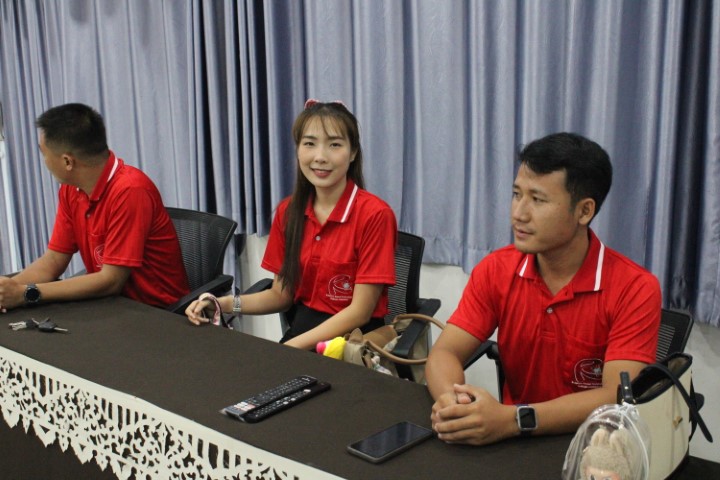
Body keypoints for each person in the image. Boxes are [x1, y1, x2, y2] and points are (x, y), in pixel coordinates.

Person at [426, 132, 661, 446]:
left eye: (537, 200)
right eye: (516, 194)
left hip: (593, 447)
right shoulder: (497, 269)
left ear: (584, 211)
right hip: (513, 442)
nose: (519, 213)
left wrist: (514, 419)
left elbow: (614, 397)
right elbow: (445, 353)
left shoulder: (635, 288)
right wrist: (452, 403)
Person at [186, 100, 397, 350]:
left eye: (334, 144)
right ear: (298, 150)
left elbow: (360, 312)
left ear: (352, 153)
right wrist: (223, 304)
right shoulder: (288, 212)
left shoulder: (375, 215)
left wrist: (291, 349)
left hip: (354, 342)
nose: (320, 157)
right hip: (304, 332)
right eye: (309, 143)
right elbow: (280, 295)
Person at [0, 103, 189, 312]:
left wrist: (26, 293)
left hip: (158, 313)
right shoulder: (71, 190)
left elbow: (111, 280)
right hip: (111, 306)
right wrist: (8, 290)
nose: (44, 161)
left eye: (44, 154)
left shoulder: (130, 191)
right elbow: (53, 260)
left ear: (67, 162)